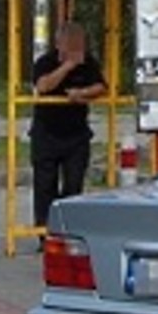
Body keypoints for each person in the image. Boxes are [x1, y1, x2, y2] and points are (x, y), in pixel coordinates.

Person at [29, 22, 108, 231]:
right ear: (59, 44)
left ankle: (68, 228)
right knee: (45, 186)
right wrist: (67, 67)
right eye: (71, 46)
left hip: (76, 135)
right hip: (47, 133)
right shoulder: (45, 62)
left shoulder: (89, 63)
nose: (76, 52)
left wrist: (82, 94)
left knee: (73, 185)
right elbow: (43, 86)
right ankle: (45, 231)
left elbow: (101, 86)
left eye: (79, 46)